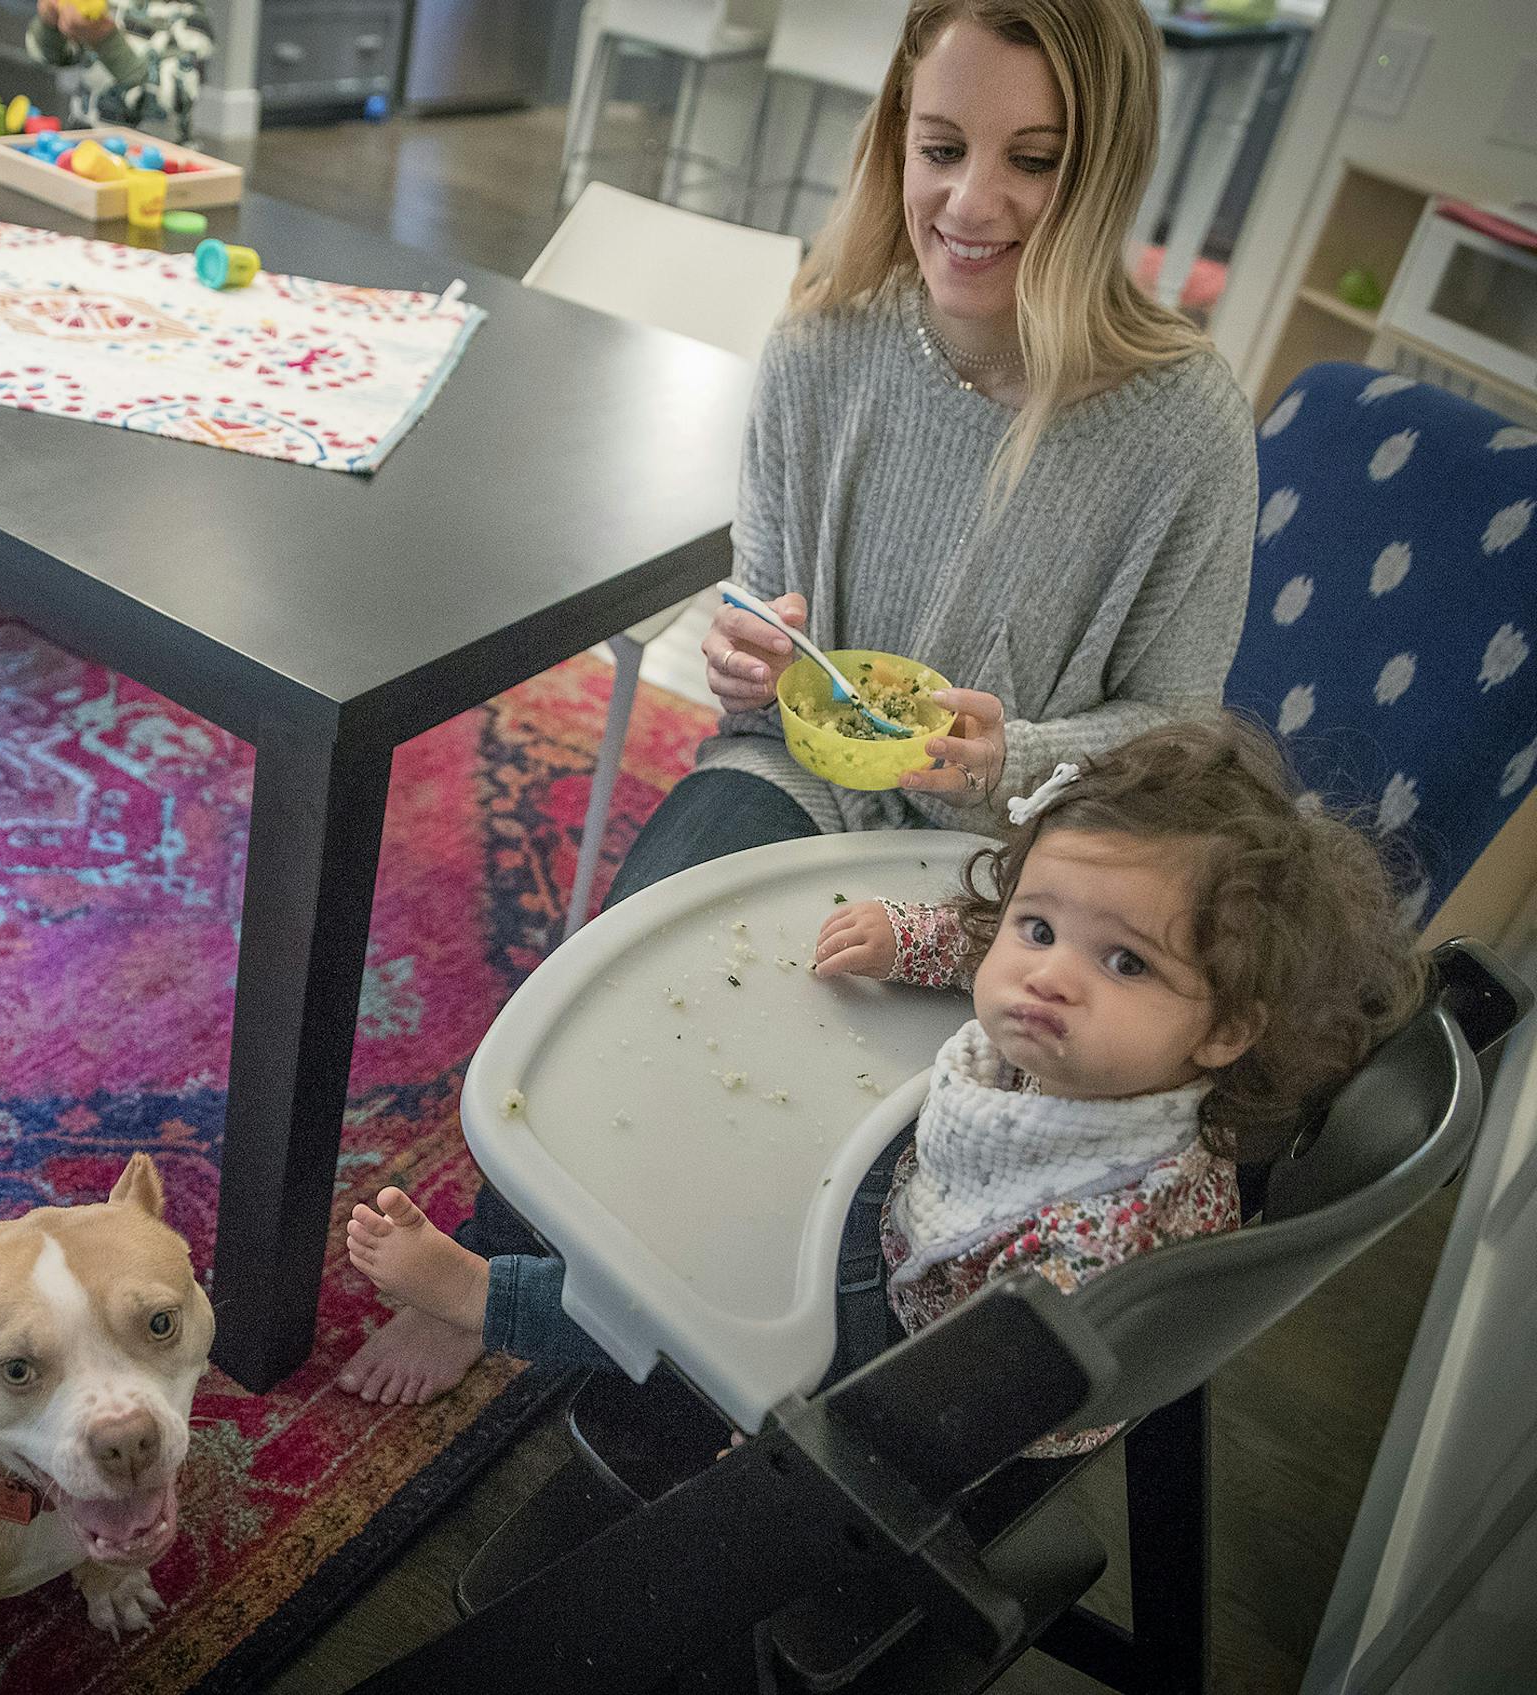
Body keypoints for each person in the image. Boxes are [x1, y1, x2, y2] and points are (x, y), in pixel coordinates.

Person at [339, 0, 1261, 1405]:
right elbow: (767, 624)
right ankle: (497, 1266)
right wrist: (744, 648)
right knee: (614, 981)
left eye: (1036, 159)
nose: (972, 200)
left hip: (1037, 857)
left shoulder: (1185, 419)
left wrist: (1017, 752)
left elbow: (1182, 751)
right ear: (895, 131)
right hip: (796, 772)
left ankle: (574, 1316)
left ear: (1107, 169)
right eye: (940, 145)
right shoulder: (823, 347)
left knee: (840, 1167)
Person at [347, 719, 1430, 1447]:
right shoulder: (1093, 1037)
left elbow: (951, 1411)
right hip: (930, 1226)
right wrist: (908, 939)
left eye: (1126, 963)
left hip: (912, 1370)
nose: (1050, 973)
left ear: (1229, 1029)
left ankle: (491, 1299)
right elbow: (998, 947)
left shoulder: (1101, 1236)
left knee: (686, 1281)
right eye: (1041, 926)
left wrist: (792, 1377)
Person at [25, 1, 213, 139]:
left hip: (158, 157)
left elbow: (172, 99)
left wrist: (105, 40)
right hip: (84, 141)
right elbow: (50, 57)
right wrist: (49, 23)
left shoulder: (192, 19)